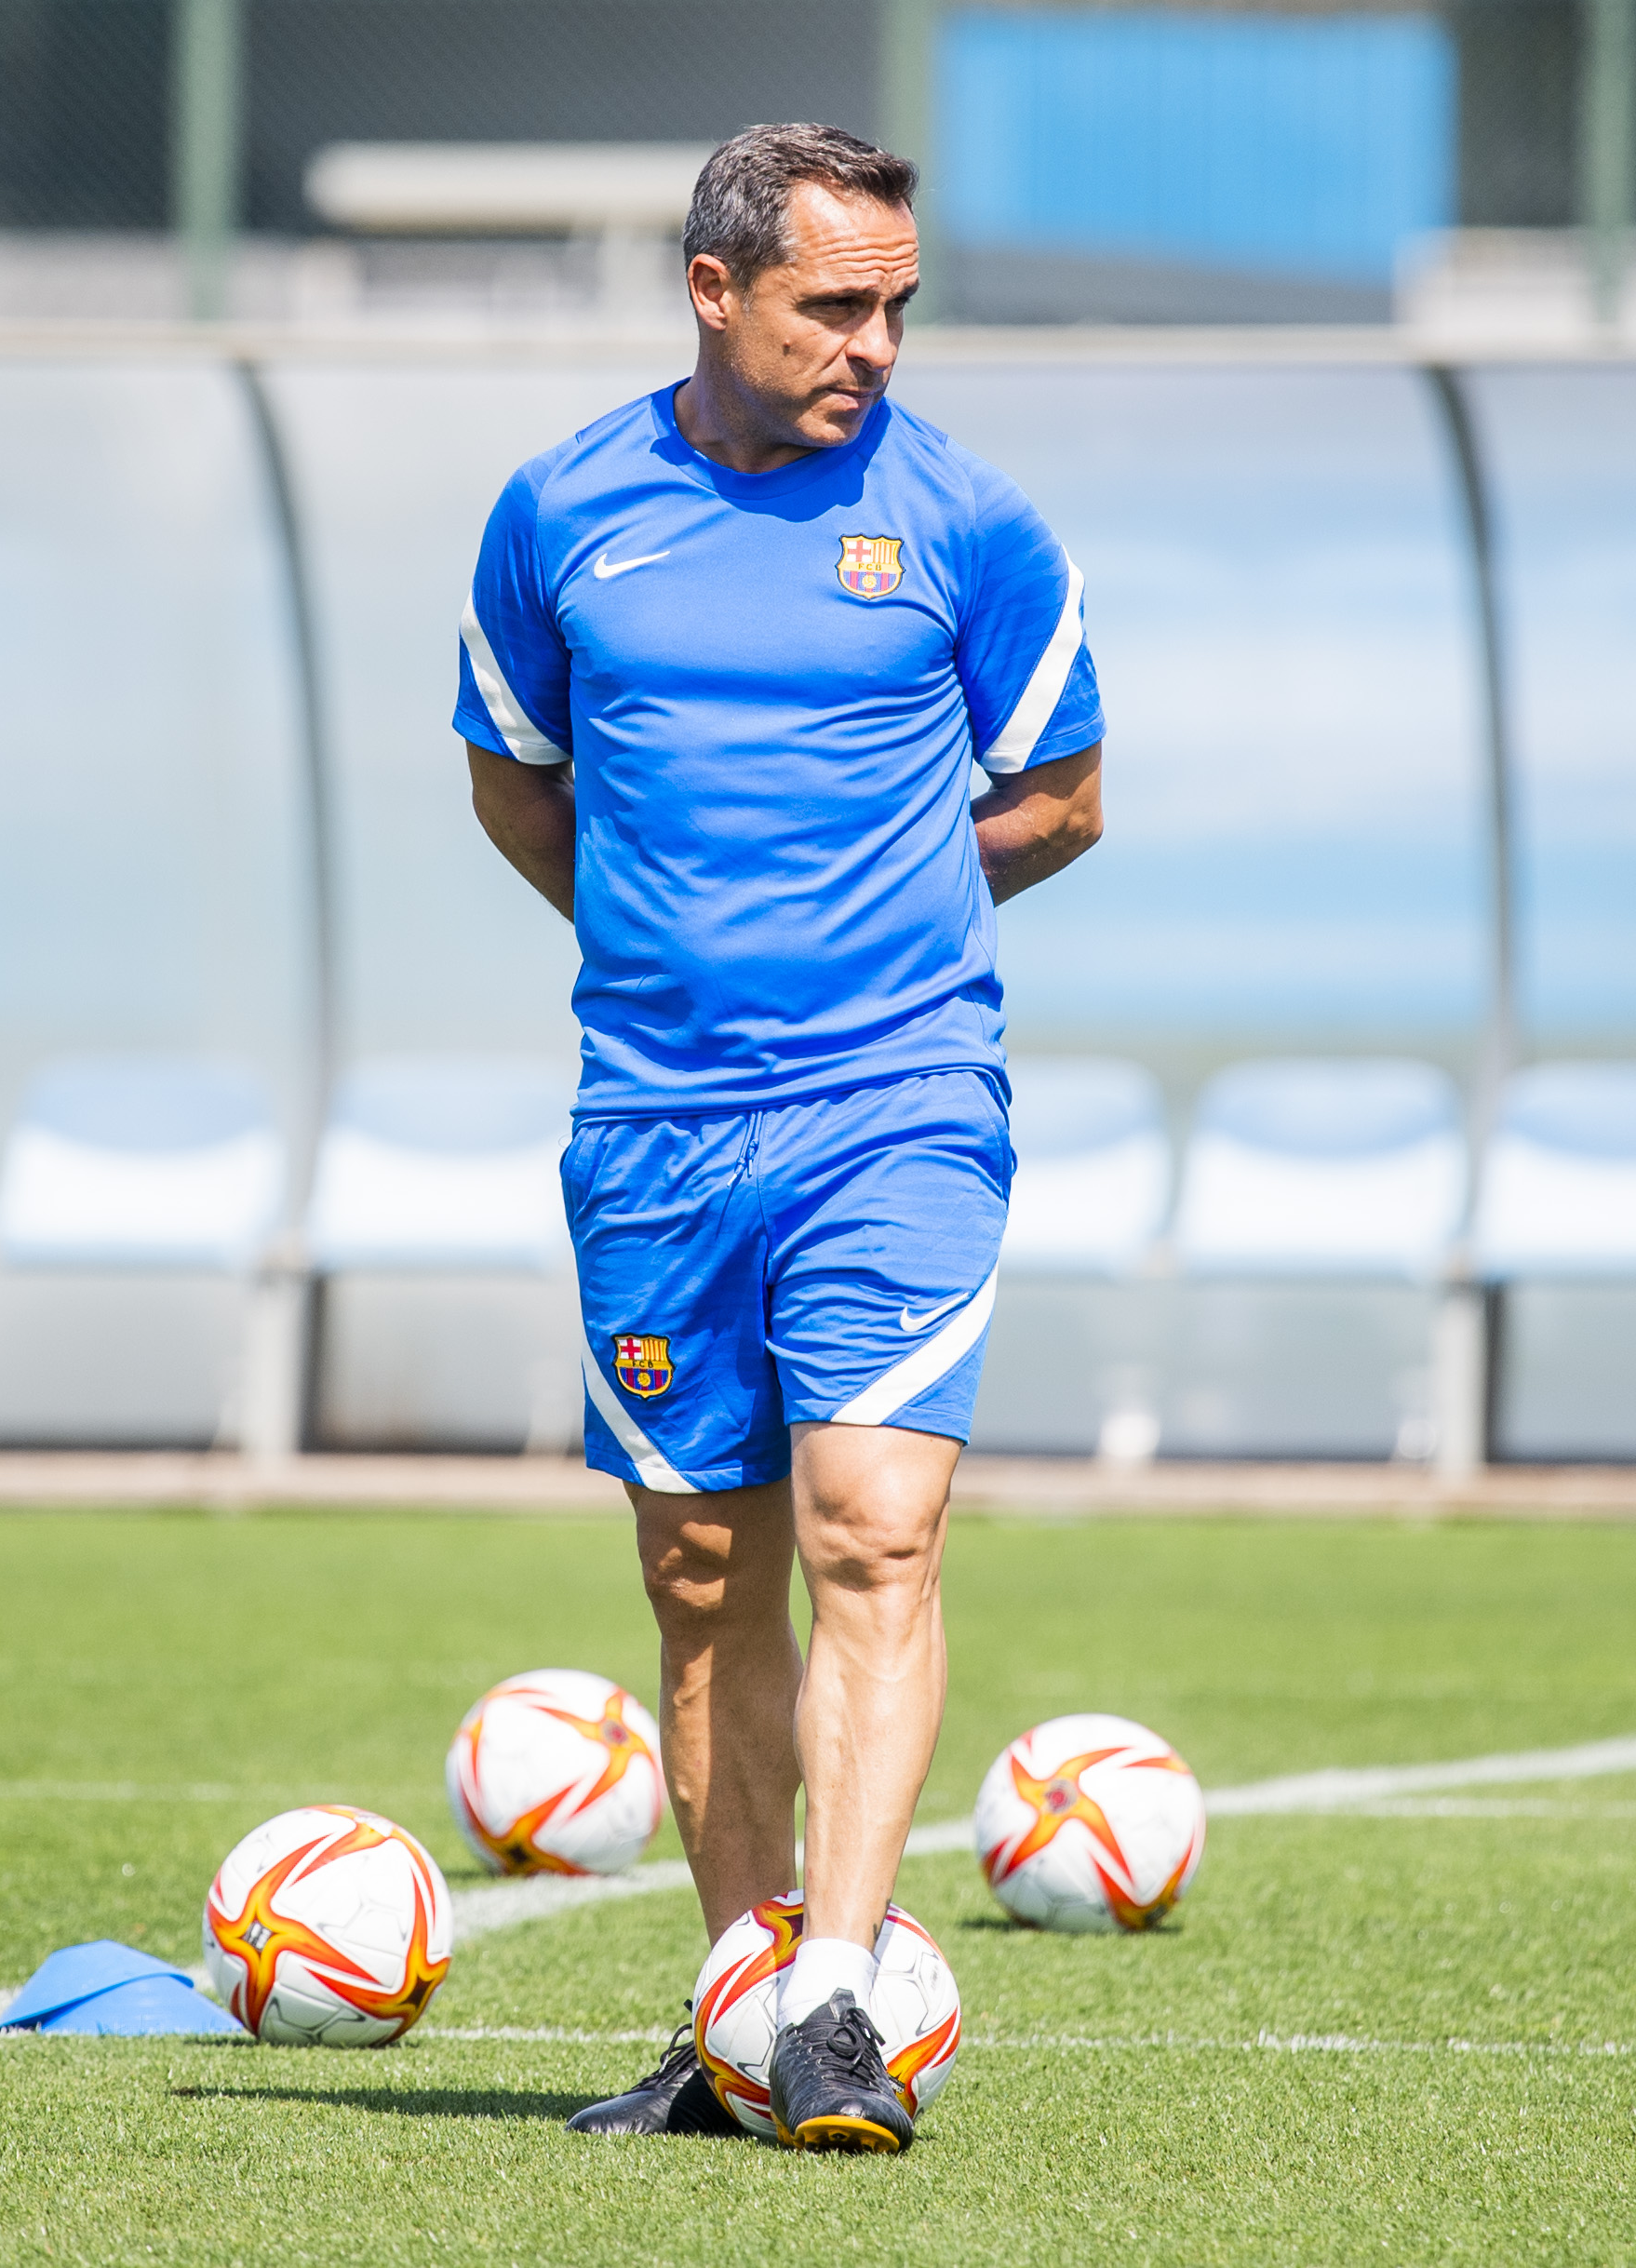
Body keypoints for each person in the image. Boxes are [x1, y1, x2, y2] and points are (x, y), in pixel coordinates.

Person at [453, 120, 1106, 2153]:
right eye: (836, 305)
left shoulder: (970, 523)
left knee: (870, 1528)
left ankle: (835, 1997)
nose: (876, 346)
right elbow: (516, 780)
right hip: (654, 1125)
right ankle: (739, 2007)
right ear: (714, 289)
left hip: (899, 1102)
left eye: (899, 306)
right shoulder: (559, 512)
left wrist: (869, 927)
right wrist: (671, 942)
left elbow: (1063, 796)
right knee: (702, 1566)